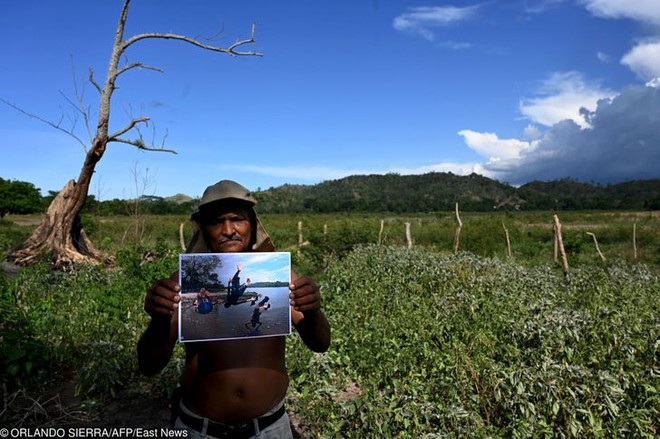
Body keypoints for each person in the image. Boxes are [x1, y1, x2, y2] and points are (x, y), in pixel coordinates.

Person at [137, 180, 331, 439]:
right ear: (204, 229)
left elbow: (320, 343)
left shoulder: (281, 275)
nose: (228, 230)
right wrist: (159, 319)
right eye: (217, 221)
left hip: (269, 429)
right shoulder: (183, 283)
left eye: (237, 219)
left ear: (251, 225)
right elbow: (149, 365)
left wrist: (313, 310)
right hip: (201, 430)